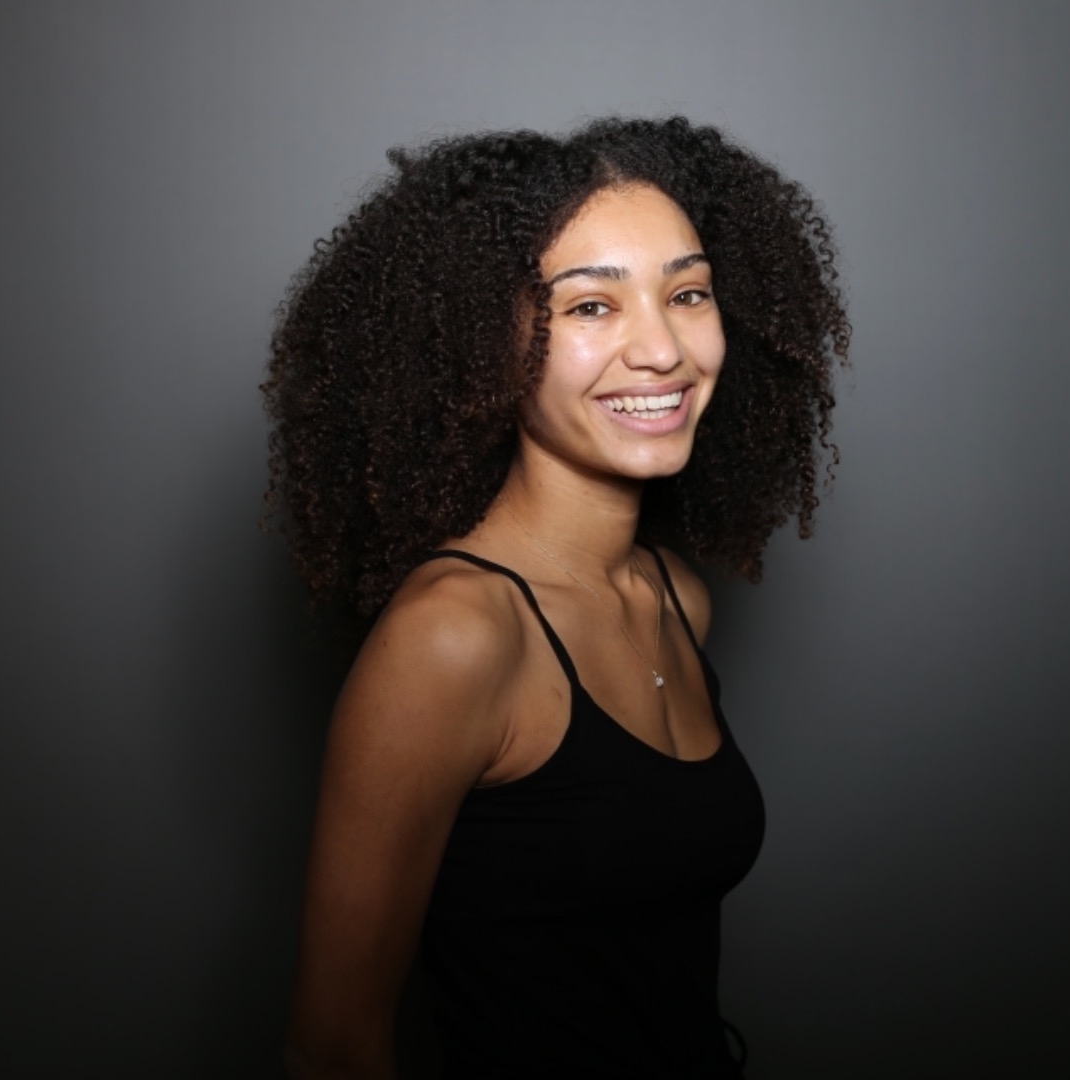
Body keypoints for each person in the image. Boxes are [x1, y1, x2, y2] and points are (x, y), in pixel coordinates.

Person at [266, 116, 849, 1079]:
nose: (661, 350)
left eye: (687, 294)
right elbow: (332, 1049)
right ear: (482, 345)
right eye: (590, 307)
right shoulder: (453, 636)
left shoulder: (674, 597)